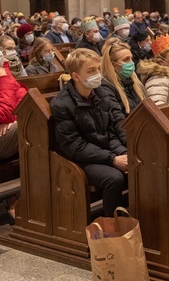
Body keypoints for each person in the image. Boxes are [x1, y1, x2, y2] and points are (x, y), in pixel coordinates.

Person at [50, 48, 128, 217]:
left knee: (138, 166)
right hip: (80, 158)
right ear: (75, 76)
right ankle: (112, 227)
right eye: (91, 71)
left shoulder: (101, 92)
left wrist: (123, 152)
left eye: (98, 69)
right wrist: (113, 159)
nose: (98, 74)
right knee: (114, 178)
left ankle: (133, 220)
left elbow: (110, 129)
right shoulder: (62, 104)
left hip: (103, 149)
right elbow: (74, 146)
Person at [100, 38, 146, 115]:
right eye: (126, 59)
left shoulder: (134, 82)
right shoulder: (105, 87)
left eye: (131, 58)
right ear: (113, 64)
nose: (131, 63)